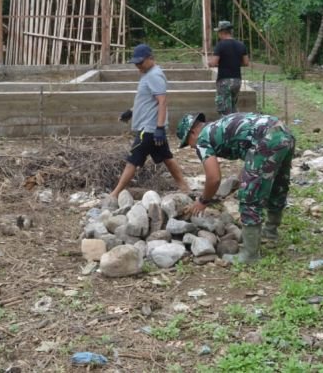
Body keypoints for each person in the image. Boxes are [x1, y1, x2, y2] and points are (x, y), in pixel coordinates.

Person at [176, 112, 295, 264]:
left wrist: (203, 201)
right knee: (278, 185)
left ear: (192, 132)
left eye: (188, 142)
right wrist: (240, 181)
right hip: (283, 132)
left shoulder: (202, 139)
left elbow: (213, 178)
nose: (192, 147)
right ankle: (271, 232)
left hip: (267, 140)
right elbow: (250, 152)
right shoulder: (218, 126)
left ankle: (250, 255)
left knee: (249, 196)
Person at [110, 44, 190, 199]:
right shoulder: (148, 74)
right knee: (167, 157)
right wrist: (131, 112)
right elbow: (147, 101)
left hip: (149, 128)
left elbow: (162, 102)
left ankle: (115, 193)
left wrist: (159, 127)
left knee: (133, 160)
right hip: (152, 127)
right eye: (136, 63)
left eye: (140, 62)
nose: (137, 66)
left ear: (150, 59)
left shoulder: (154, 75)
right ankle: (184, 187)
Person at [209, 21, 250, 116]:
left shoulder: (220, 45)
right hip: (237, 80)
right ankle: (235, 126)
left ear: (222, 32)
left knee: (224, 110)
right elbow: (246, 62)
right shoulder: (241, 45)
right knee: (232, 107)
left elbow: (214, 62)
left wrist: (210, 63)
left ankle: (226, 129)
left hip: (224, 81)